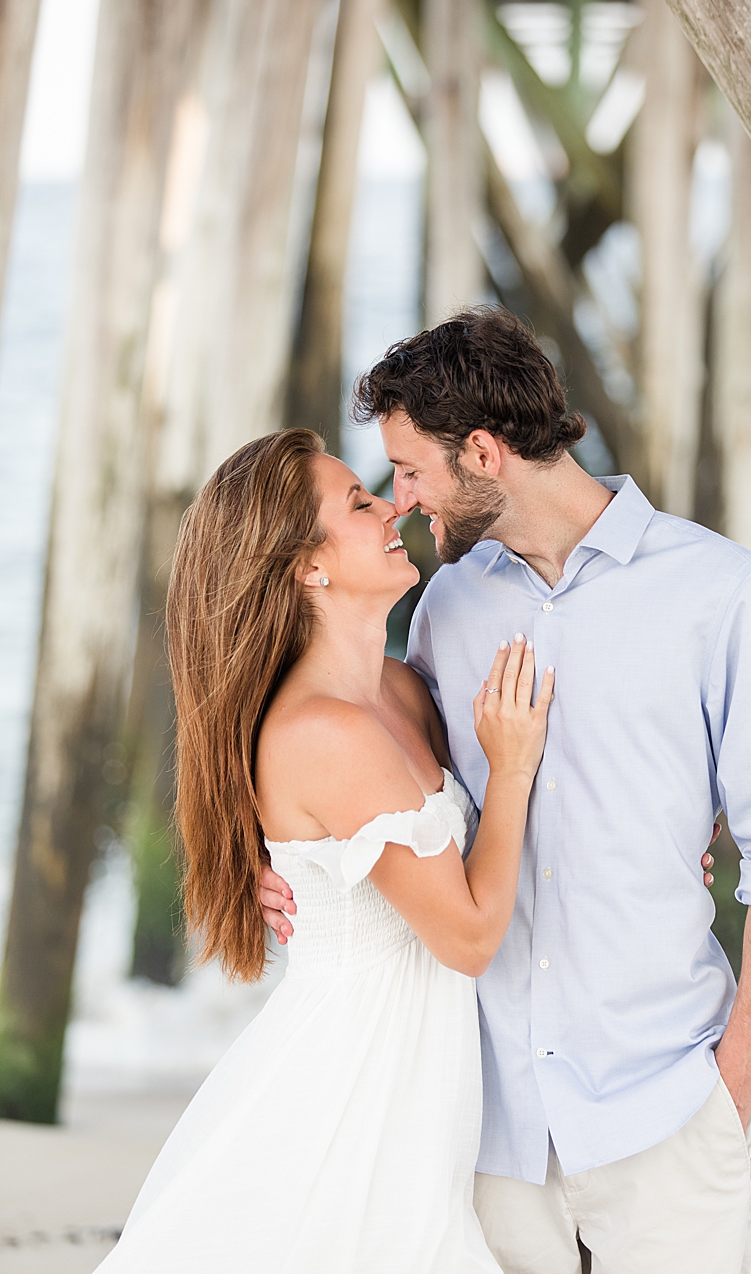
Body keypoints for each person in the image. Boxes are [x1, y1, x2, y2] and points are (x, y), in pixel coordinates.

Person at [258, 307, 751, 1273]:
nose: (398, 500)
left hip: (664, 1106)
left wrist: (734, 1081)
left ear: (482, 452)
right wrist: (270, 854)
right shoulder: (447, 605)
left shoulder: (726, 596)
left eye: (410, 469)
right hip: (491, 1124)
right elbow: (376, 775)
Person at [100, 427, 552, 1271]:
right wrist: (515, 765)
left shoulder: (399, 689)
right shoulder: (322, 733)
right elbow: (468, 936)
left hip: (417, 1090)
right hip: (354, 1092)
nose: (391, 505)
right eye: (358, 501)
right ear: (309, 566)